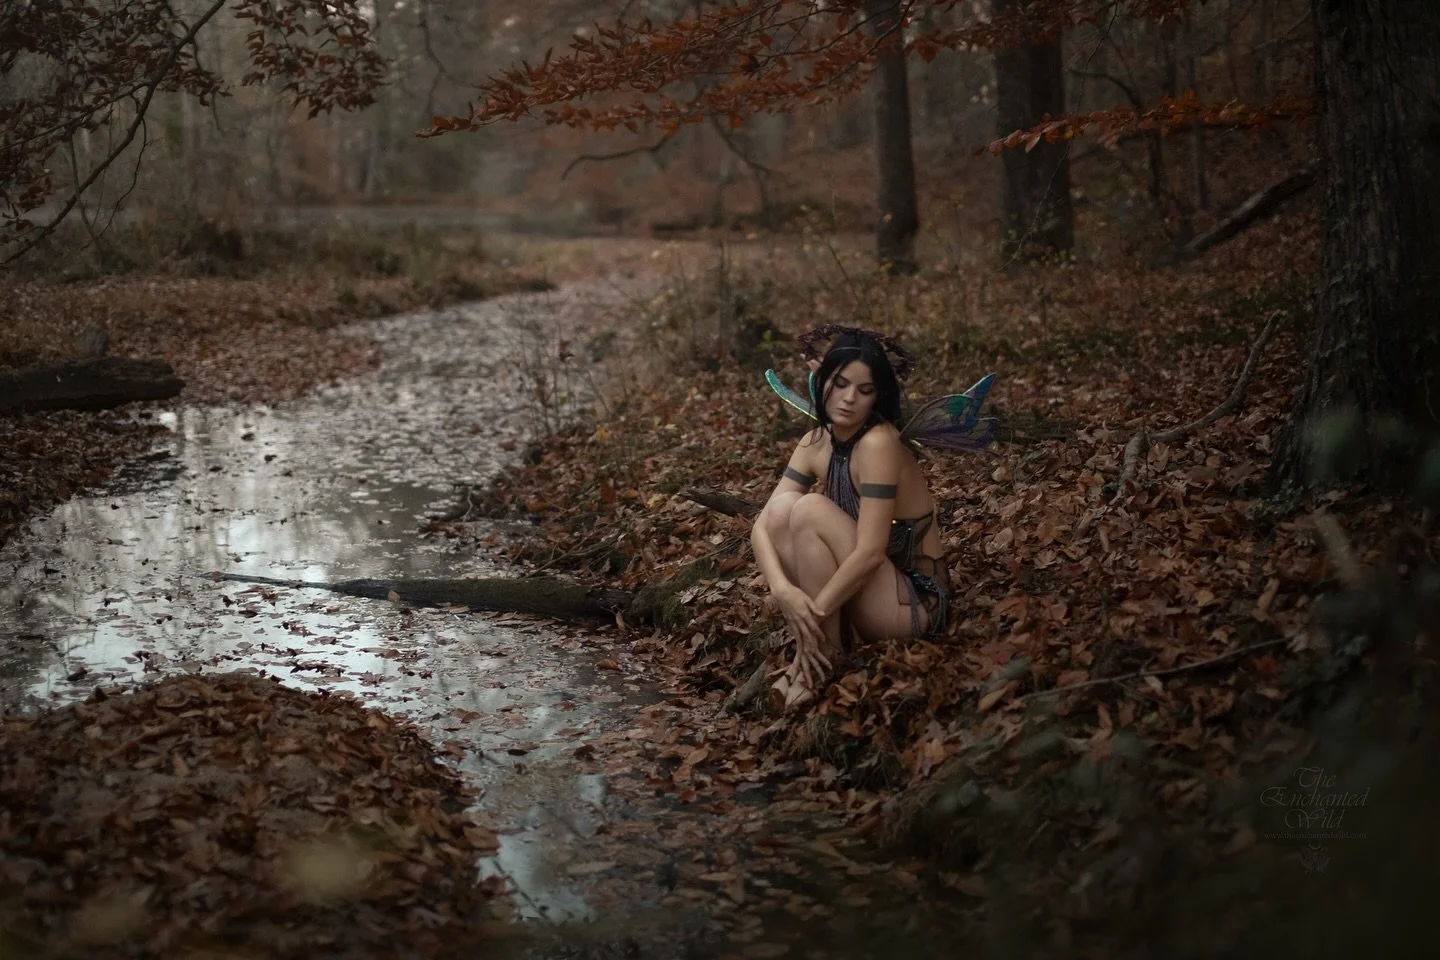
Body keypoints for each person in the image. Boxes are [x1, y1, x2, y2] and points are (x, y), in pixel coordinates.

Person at [750, 328, 952, 711]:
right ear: (822, 380)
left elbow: (872, 551)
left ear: (879, 396)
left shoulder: (879, 442)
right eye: (840, 383)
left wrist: (808, 622)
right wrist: (782, 591)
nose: (848, 399)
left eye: (864, 390)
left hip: (912, 602)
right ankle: (830, 642)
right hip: (870, 591)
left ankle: (817, 657)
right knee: (781, 510)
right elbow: (762, 526)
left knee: (809, 509)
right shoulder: (814, 442)